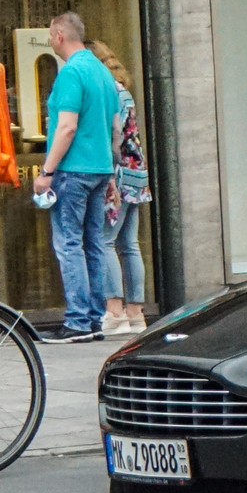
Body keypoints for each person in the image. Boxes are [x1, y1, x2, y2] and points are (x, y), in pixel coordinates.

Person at [31, 11, 120, 342]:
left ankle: (78, 321)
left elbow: (66, 127)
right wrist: (110, 173)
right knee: (94, 243)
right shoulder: (101, 70)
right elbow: (114, 129)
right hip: (99, 169)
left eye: (49, 36)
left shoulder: (70, 74)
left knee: (69, 244)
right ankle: (95, 319)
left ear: (58, 36)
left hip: (72, 169)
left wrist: (46, 171)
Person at [89, 41, 150, 335]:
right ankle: (136, 313)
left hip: (118, 171)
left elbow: (112, 134)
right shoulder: (123, 90)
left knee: (105, 240)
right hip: (136, 171)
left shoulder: (107, 91)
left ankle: (114, 311)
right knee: (129, 244)